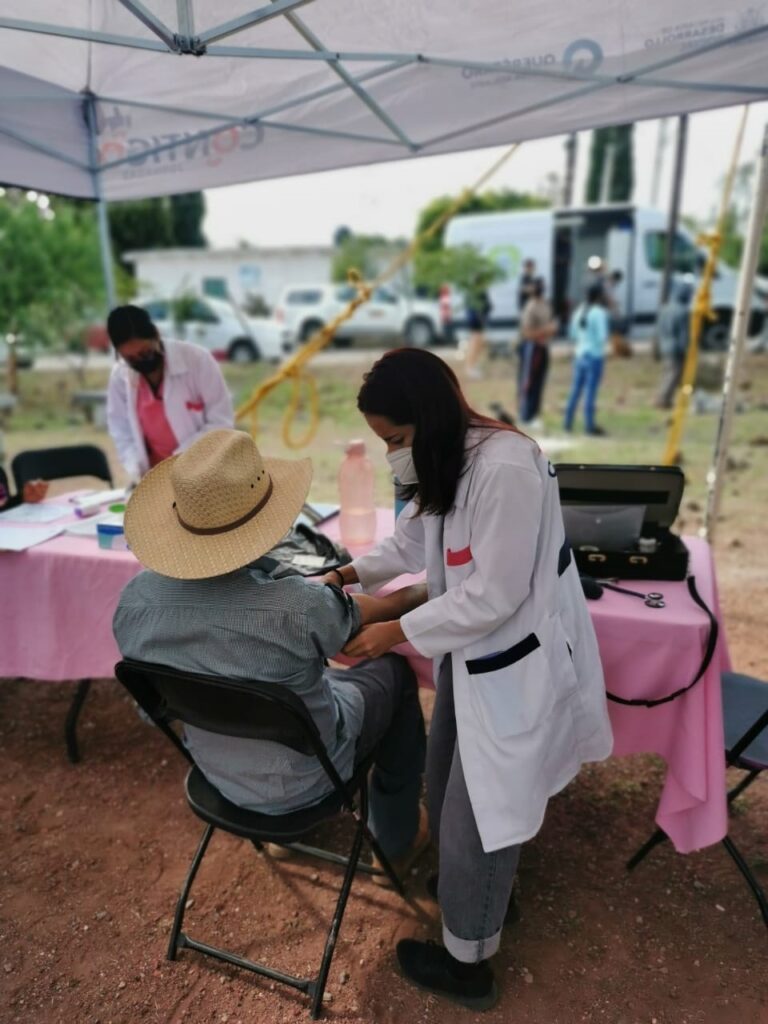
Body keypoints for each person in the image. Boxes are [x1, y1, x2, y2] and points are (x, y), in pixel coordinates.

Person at [325, 349, 612, 1010]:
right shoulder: (446, 461)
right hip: (469, 654)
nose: (393, 454)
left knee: (477, 812)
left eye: (395, 440)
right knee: (445, 769)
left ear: (426, 418)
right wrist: (345, 577)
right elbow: (409, 544)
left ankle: (468, 966)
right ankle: (478, 897)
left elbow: (496, 595)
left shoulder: (504, 466)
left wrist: (392, 629)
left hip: (509, 661)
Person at [113, 429, 429, 880]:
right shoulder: (296, 607)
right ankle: (396, 841)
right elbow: (357, 617)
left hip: (218, 776)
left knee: (278, 690)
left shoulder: (134, 604)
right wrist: (420, 592)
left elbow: (153, 711)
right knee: (393, 672)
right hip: (312, 779)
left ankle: (283, 840)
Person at [106, 304, 234, 483]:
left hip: (205, 471)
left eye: (145, 352)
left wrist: (178, 463)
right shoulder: (121, 375)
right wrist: (137, 467)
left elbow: (221, 423)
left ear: (156, 335)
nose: (140, 361)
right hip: (155, 477)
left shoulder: (197, 360)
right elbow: (120, 429)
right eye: (130, 358)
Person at [563, 284, 610, 436]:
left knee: (575, 390)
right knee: (590, 391)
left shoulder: (579, 311)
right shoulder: (599, 313)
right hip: (594, 356)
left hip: (580, 355)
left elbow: (573, 334)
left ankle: (567, 422)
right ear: (599, 296)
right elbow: (603, 337)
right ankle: (589, 426)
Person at [517, 279, 557, 428]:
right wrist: (547, 330)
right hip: (532, 347)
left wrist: (550, 330)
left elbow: (551, 323)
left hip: (543, 346)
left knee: (539, 382)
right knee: (528, 382)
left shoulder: (545, 305)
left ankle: (534, 414)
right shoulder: (530, 307)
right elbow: (526, 332)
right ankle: (525, 415)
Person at [655, 278, 694, 409]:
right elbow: (684, 334)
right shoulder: (682, 311)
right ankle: (663, 399)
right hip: (676, 347)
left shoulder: (665, 308)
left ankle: (663, 397)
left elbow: (659, 328)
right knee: (673, 374)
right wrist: (687, 350)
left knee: (666, 372)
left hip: (664, 345)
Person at [463, 285, 492, 380]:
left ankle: (473, 366)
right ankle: (470, 367)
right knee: (475, 343)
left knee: (478, 343)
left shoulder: (478, 290)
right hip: (475, 321)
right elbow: (477, 306)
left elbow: (487, 305)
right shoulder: (475, 291)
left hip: (478, 320)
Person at [604, 270, 632, 358]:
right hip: (608, 312)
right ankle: (617, 351)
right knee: (615, 332)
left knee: (614, 333)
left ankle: (616, 351)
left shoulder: (608, 285)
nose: (617, 284)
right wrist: (616, 313)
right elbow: (610, 300)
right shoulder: (608, 285)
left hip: (609, 311)